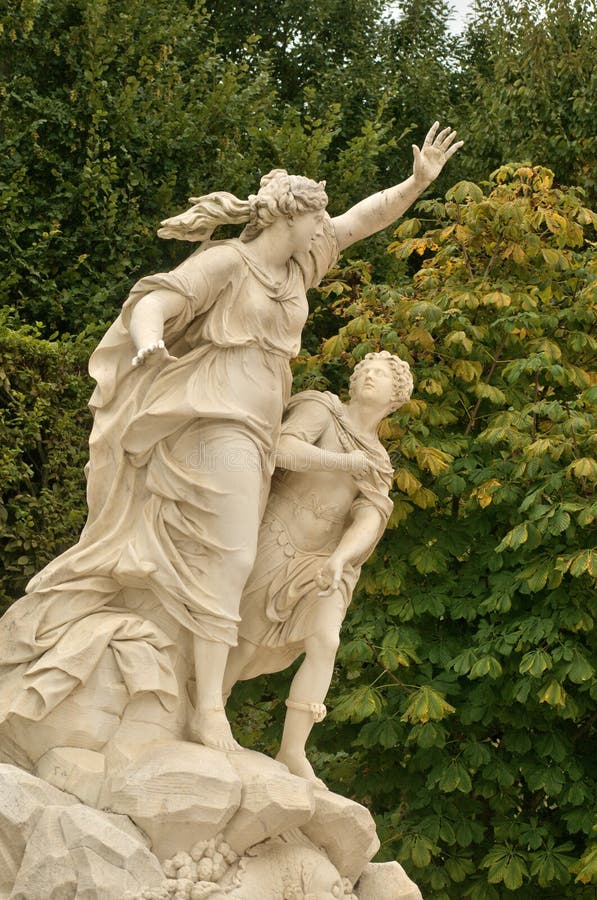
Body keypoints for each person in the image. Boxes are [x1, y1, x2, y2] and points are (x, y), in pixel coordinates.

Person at [0, 124, 462, 755]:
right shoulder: (226, 262)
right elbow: (156, 301)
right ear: (289, 218)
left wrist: (416, 183)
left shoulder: (299, 268)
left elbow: (361, 221)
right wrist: (149, 339)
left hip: (255, 425)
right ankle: (208, 711)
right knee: (232, 557)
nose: (326, 226)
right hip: (215, 417)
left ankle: (202, 700)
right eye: (316, 216)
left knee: (230, 557)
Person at [223, 351, 413, 786]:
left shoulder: (379, 460)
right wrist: (343, 462)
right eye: (364, 370)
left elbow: (370, 516)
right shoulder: (322, 409)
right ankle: (210, 708)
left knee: (325, 639)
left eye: (380, 374)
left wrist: (342, 558)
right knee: (247, 639)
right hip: (280, 534)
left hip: (327, 558)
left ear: (396, 396)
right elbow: (282, 449)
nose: (369, 376)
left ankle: (292, 749)